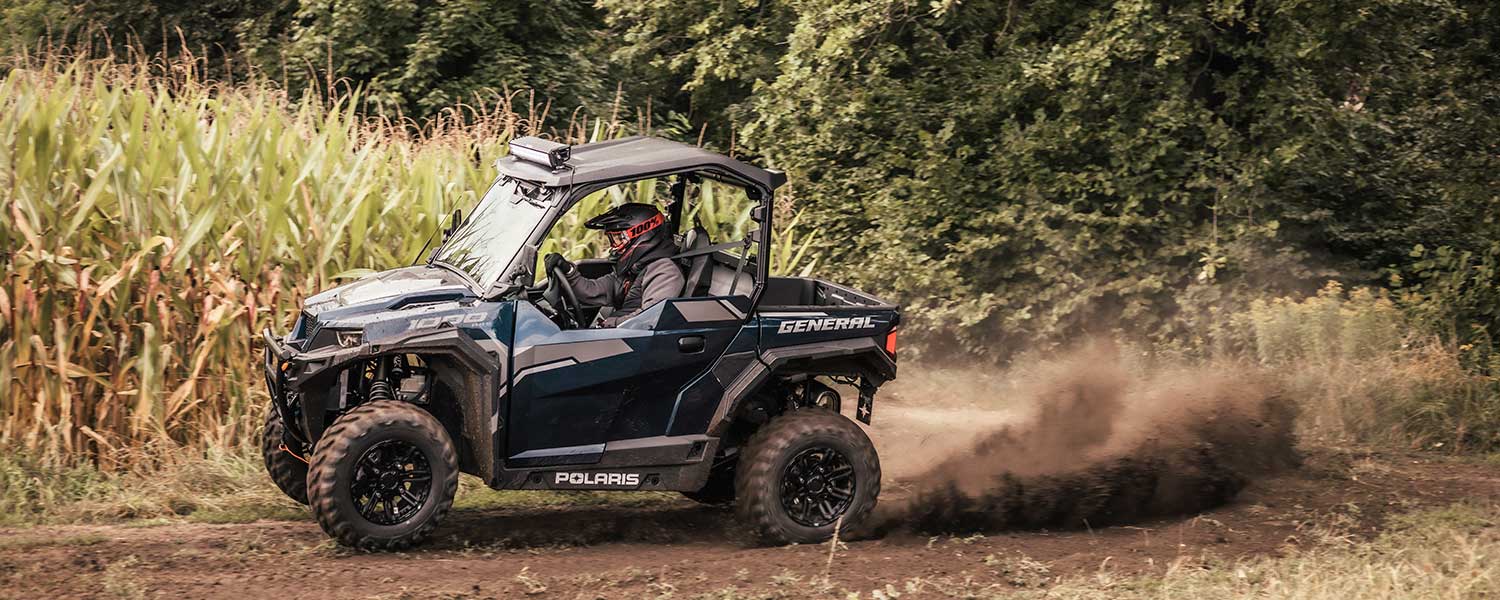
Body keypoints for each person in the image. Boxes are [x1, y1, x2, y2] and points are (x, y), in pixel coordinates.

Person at [543, 203, 684, 327]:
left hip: (632, 341)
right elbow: (591, 291)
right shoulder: (633, 270)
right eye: (612, 239)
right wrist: (568, 270)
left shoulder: (665, 271)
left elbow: (650, 318)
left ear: (642, 235)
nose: (614, 247)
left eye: (618, 239)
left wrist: (609, 324)